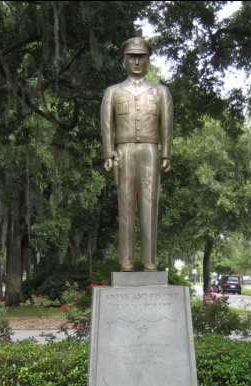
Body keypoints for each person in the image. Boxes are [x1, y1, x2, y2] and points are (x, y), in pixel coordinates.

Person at [101, 37, 173, 272]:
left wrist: (166, 154)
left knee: (149, 204)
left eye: (141, 56)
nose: (136, 61)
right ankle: (126, 261)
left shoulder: (160, 92)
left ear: (148, 60)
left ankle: (149, 260)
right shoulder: (113, 92)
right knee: (125, 204)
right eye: (132, 56)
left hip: (150, 150)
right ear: (124, 60)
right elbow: (107, 125)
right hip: (124, 150)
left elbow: (166, 125)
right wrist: (109, 153)